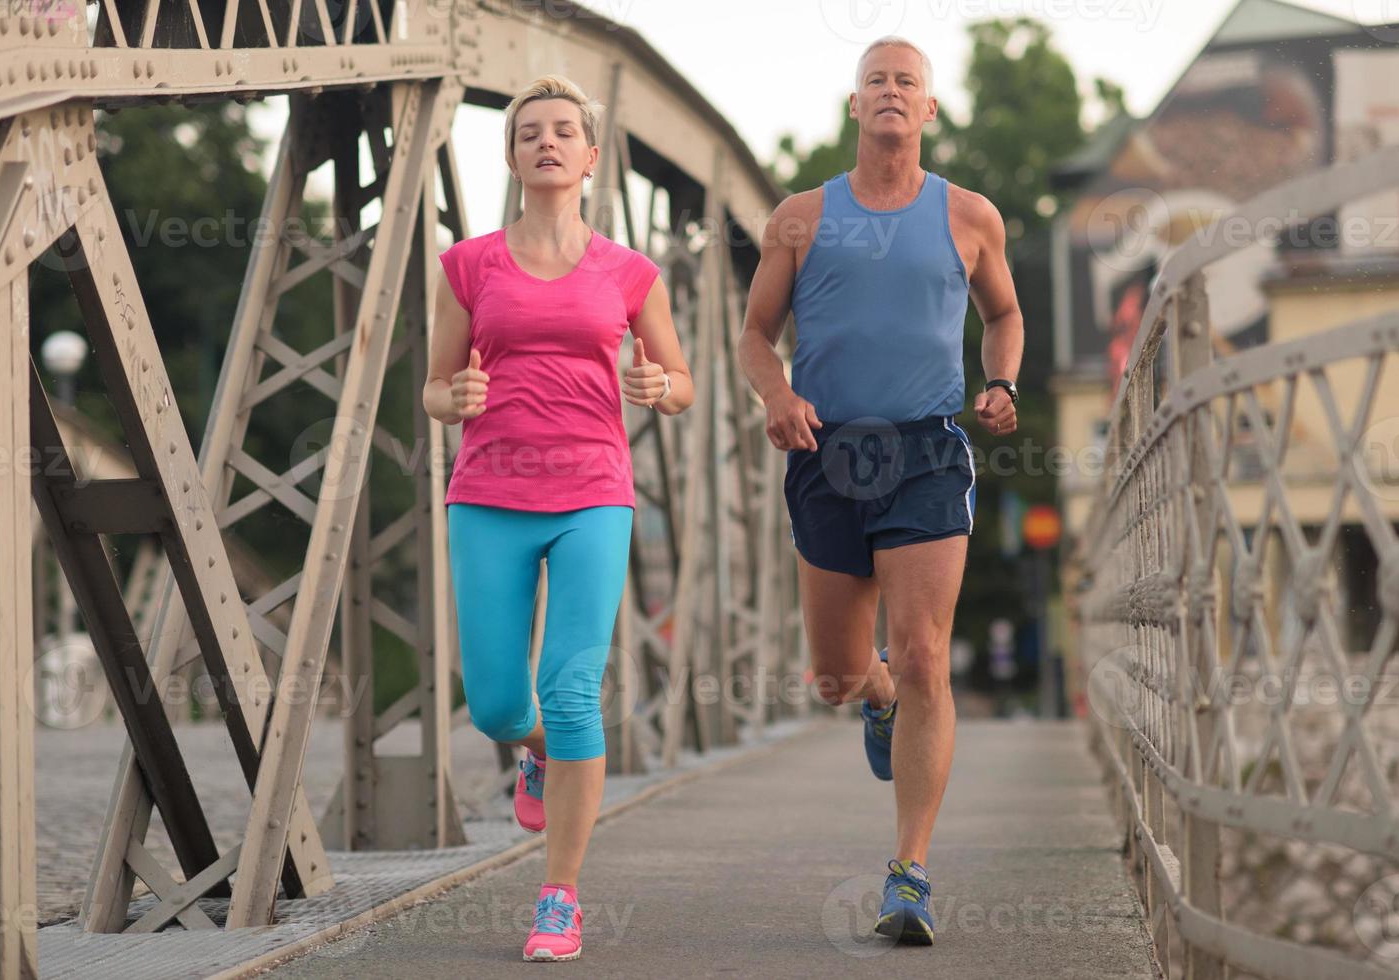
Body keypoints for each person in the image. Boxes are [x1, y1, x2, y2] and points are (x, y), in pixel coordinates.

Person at [737, 36, 1023, 946]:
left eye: (907, 82)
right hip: (828, 452)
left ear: (928, 110)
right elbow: (753, 333)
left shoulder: (970, 215)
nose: (891, 92)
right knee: (833, 672)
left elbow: (1003, 312)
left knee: (925, 653)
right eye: (876, 81)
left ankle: (908, 875)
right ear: (853, 107)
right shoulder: (800, 216)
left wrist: (1001, 380)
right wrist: (776, 394)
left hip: (928, 452)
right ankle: (874, 695)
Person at [424, 74, 693, 962]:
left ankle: (558, 896)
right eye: (529, 131)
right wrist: (450, 394)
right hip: (488, 495)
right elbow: (433, 384)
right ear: (510, 156)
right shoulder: (467, 265)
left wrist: (659, 386)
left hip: (591, 494)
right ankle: (533, 751)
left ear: (586, 157)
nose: (546, 141)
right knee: (500, 705)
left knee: (573, 690)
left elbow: (679, 380)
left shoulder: (627, 271)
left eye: (563, 130)